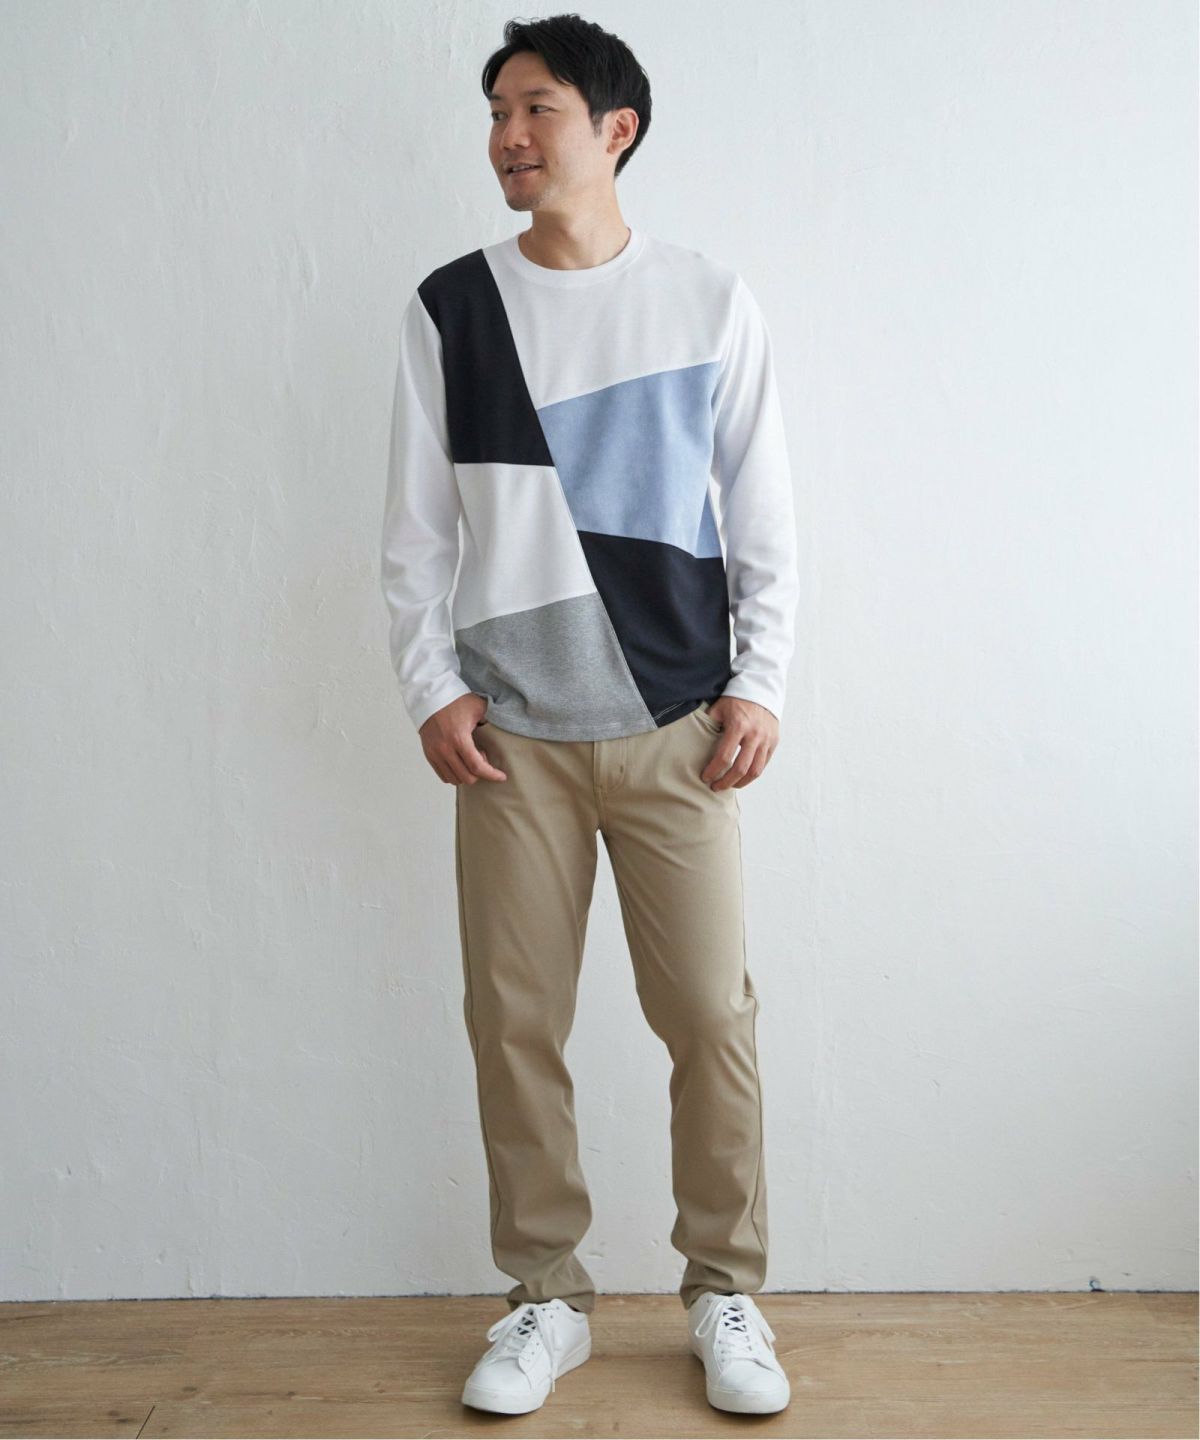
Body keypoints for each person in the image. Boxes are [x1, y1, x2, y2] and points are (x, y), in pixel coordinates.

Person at [380, 12, 799, 1419]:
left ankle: (724, 1288)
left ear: (615, 129)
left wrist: (760, 681)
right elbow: (415, 531)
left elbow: (764, 515)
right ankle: (545, 1297)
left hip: (681, 725)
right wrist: (432, 688)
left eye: (536, 108)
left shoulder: (708, 301)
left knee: (709, 1015)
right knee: (513, 1022)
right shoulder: (452, 307)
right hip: (510, 743)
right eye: (496, 112)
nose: (508, 135)